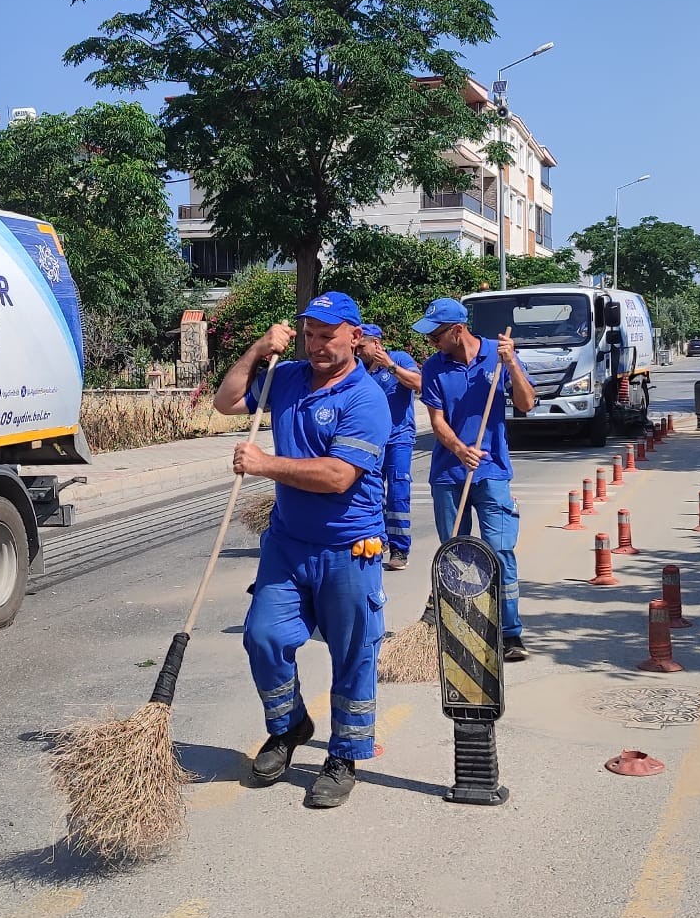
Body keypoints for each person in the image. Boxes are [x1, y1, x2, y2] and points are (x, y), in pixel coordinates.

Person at [214, 291, 391, 809]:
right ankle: (290, 727)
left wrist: (265, 464)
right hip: (288, 545)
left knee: (353, 653)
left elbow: (338, 476)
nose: (316, 344)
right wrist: (255, 351)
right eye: (309, 334)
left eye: (327, 335)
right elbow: (225, 402)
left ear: (354, 337)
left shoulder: (366, 399)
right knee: (263, 636)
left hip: (349, 549)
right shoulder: (285, 377)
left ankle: (344, 755)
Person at [413, 297, 537, 662]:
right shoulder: (434, 368)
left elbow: (527, 404)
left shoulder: (497, 356)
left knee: (500, 551)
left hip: (493, 471)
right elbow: (437, 422)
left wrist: (511, 363)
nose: (430, 343)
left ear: (457, 330)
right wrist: (459, 450)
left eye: (435, 335)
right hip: (449, 475)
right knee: (458, 554)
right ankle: (463, 625)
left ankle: (511, 633)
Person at [357, 324, 421, 571]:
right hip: (370, 441)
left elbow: (419, 383)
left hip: (398, 439)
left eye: (362, 346)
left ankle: (399, 549)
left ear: (376, 344)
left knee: (397, 491)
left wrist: (390, 367)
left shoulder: (399, 359)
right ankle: (377, 540)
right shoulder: (358, 368)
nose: (358, 351)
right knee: (369, 493)